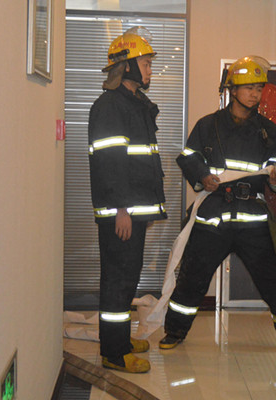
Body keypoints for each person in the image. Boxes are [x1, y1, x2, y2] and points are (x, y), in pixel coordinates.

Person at [159, 55, 276, 356]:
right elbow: (188, 157)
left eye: (259, 88)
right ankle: (174, 331)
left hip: (253, 219)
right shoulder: (207, 125)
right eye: (249, 88)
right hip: (213, 217)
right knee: (192, 278)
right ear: (232, 90)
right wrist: (203, 176)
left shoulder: (269, 131)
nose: (255, 94)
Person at [88, 27, 167, 373]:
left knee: (128, 278)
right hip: (121, 211)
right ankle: (114, 352)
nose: (150, 70)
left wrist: (143, 211)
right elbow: (110, 163)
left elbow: (140, 162)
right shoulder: (110, 106)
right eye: (145, 64)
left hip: (133, 210)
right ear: (128, 66)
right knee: (118, 280)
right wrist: (121, 209)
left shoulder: (134, 105)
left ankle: (119, 338)